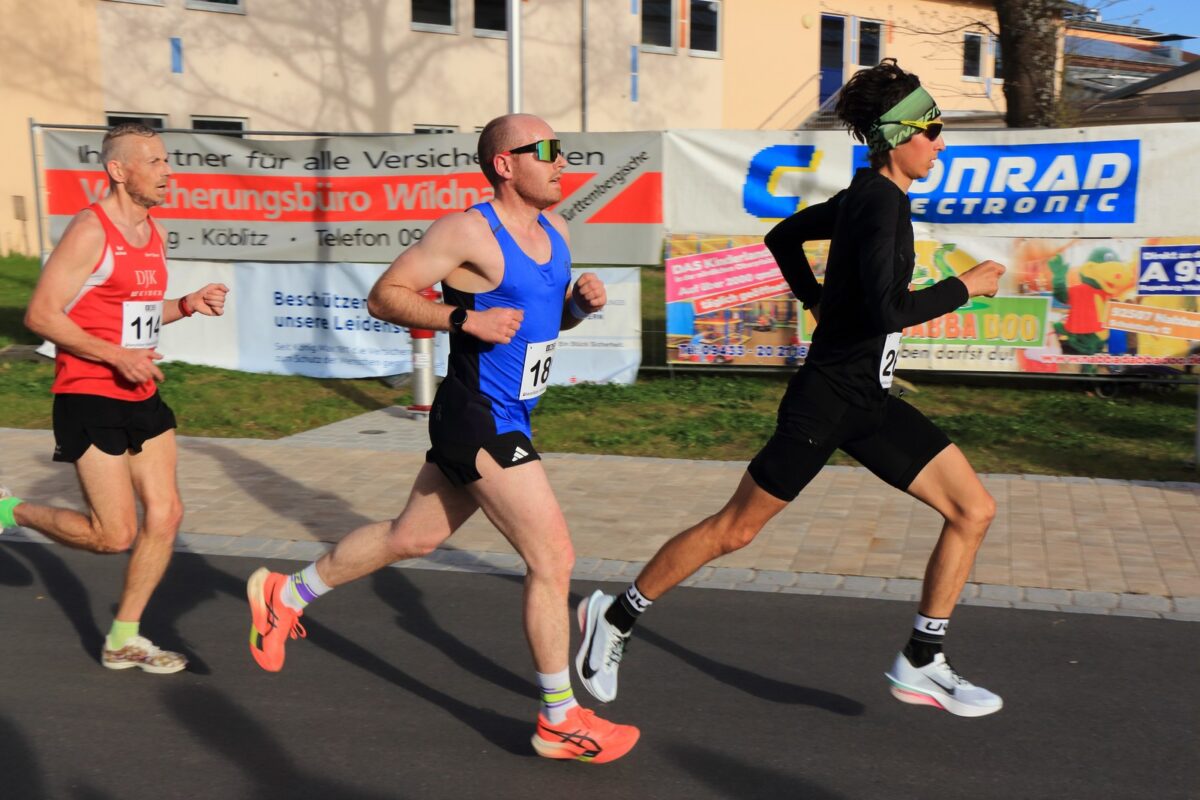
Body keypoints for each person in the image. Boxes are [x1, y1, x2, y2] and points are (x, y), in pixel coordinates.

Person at [575, 60, 1007, 718]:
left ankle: (923, 658)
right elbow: (888, 310)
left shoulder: (868, 197)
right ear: (899, 136)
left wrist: (817, 302)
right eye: (934, 129)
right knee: (735, 530)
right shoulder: (879, 204)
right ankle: (615, 615)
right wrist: (966, 287)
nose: (941, 143)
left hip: (867, 402)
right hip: (827, 403)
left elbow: (784, 236)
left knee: (973, 510)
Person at [244, 113, 639, 763]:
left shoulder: (557, 232)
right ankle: (559, 719)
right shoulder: (467, 231)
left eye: (562, 149)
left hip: (513, 412)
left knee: (413, 536)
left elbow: (536, 326)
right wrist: (462, 317)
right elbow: (385, 295)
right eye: (545, 150)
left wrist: (577, 309)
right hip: (478, 414)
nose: (560, 160)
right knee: (554, 558)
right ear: (506, 164)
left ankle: (283, 595)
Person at [0, 122, 230, 673]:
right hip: (89, 394)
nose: (167, 172)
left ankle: (123, 637)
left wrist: (187, 304)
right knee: (114, 534)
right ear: (118, 170)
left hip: (141, 390)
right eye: (153, 162)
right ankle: (10, 509)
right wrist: (114, 356)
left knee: (167, 514)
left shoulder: (153, 232)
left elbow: (138, 318)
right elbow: (40, 316)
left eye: (166, 160)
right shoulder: (90, 230)